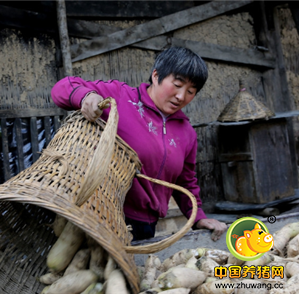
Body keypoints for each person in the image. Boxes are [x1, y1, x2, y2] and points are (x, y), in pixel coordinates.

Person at [51, 46, 227, 241]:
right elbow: (61, 88)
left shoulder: (187, 133)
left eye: (191, 91)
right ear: (156, 75)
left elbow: (185, 183)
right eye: (177, 85)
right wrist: (86, 96)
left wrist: (198, 218)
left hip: (143, 228)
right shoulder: (120, 97)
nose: (181, 96)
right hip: (96, 214)